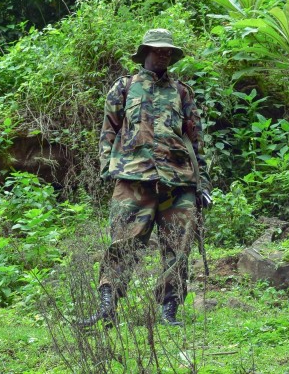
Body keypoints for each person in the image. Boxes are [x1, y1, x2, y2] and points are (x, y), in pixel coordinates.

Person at [84, 28, 212, 327]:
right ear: (145, 53)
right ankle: (107, 307)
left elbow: (196, 142)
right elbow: (108, 130)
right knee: (121, 245)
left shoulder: (182, 92)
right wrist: (108, 166)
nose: (163, 55)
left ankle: (169, 311)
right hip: (133, 180)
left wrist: (202, 183)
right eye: (157, 50)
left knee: (178, 249)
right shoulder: (124, 87)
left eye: (167, 51)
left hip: (179, 182)